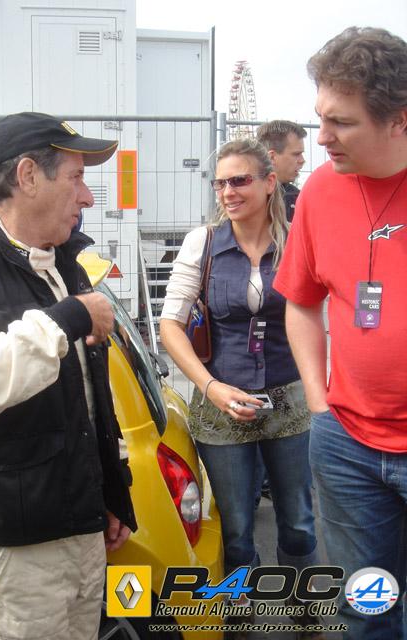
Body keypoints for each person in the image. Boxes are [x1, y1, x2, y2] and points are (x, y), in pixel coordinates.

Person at [0, 111, 136, 640]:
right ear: (27, 176)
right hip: (15, 552)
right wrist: (65, 321)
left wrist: (111, 490)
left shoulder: (64, 264)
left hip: (81, 530)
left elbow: (87, 397)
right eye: (76, 177)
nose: (87, 198)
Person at [273, 27, 407, 640]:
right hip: (346, 443)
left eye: (341, 123)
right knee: (366, 608)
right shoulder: (321, 191)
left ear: (399, 119)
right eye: (320, 117)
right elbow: (301, 303)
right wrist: (319, 402)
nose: (321, 137)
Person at [160, 138, 322, 638]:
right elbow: (170, 326)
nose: (227, 192)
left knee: (298, 521)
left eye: (239, 180)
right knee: (235, 529)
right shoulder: (203, 243)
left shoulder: (297, 239)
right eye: (220, 183)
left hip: (289, 398)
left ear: (270, 183)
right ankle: (242, 614)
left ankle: (305, 608)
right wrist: (209, 387)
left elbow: (323, 313)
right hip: (220, 403)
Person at [256, 120, 307, 221]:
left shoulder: (297, 198)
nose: (302, 160)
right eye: (296, 154)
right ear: (272, 157)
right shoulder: (246, 197)